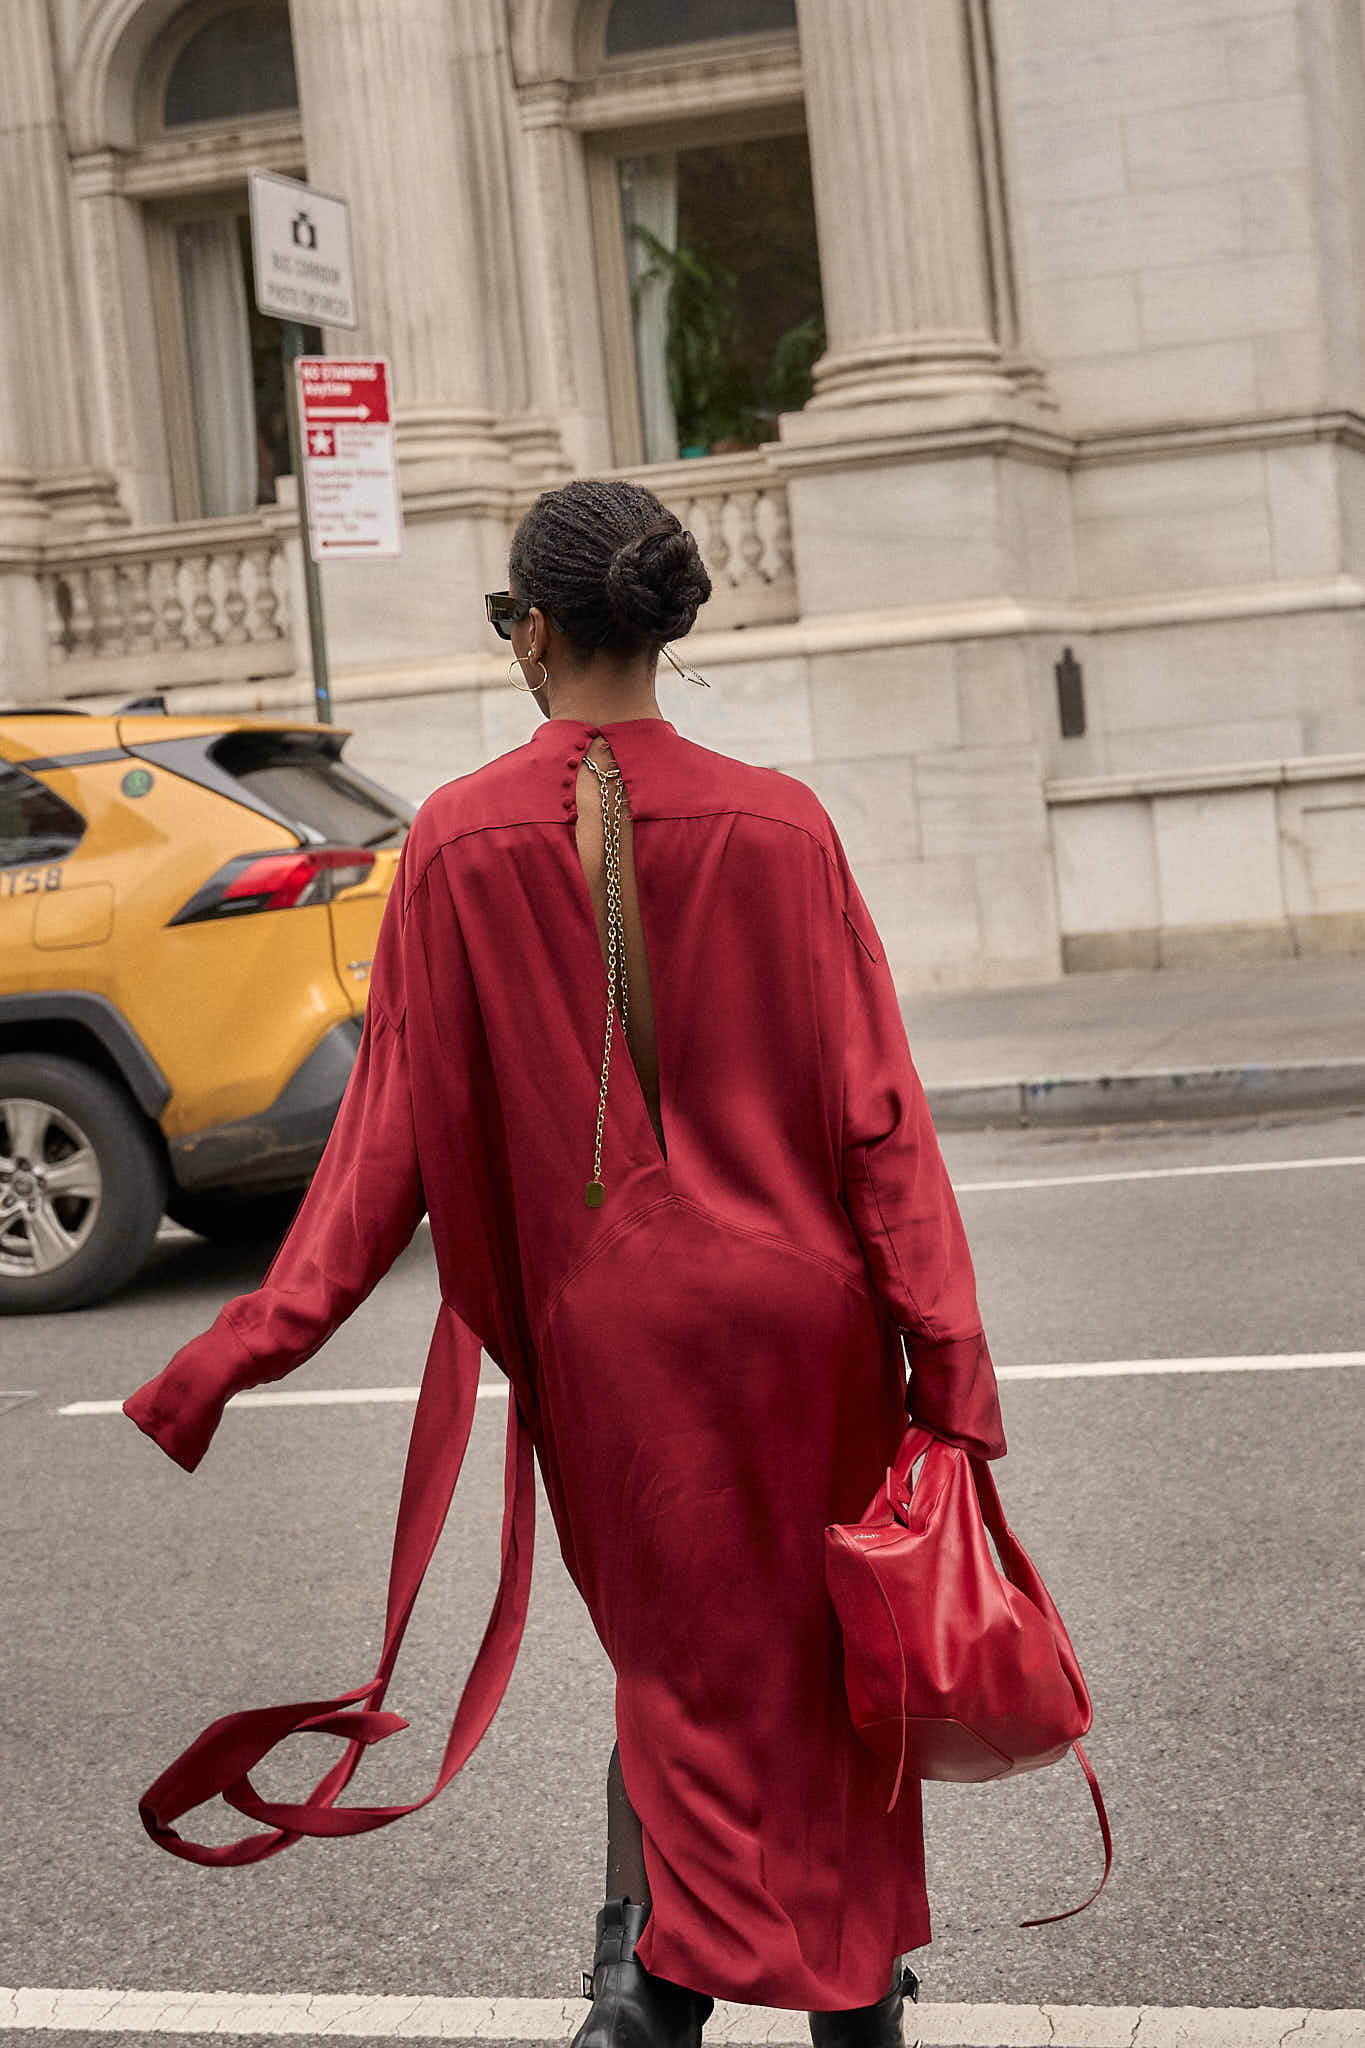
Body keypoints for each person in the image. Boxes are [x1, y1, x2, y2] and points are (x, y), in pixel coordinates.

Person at [124, 479, 1007, 2048]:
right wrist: (946, 1363)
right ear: (664, 628)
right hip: (807, 1336)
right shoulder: (780, 822)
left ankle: (645, 1996)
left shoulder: (457, 841)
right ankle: (844, 1996)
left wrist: (232, 1352)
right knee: (818, 1660)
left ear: (532, 632)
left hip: (619, 1346)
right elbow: (880, 1124)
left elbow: (383, 1146)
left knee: (675, 1670)